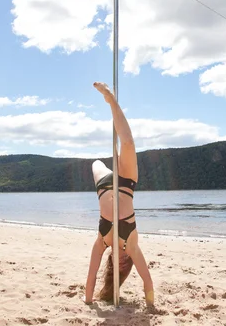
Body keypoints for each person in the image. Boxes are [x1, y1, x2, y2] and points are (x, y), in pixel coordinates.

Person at [84, 82, 154, 307]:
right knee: (128, 144)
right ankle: (111, 100)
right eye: (128, 263)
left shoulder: (101, 242)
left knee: (96, 162)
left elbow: (92, 276)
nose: (125, 261)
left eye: (120, 263)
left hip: (104, 185)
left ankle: (112, 157)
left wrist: (89, 301)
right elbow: (148, 281)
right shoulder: (131, 245)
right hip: (125, 184)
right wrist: (150, 307)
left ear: (114, 260)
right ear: (129, 260)